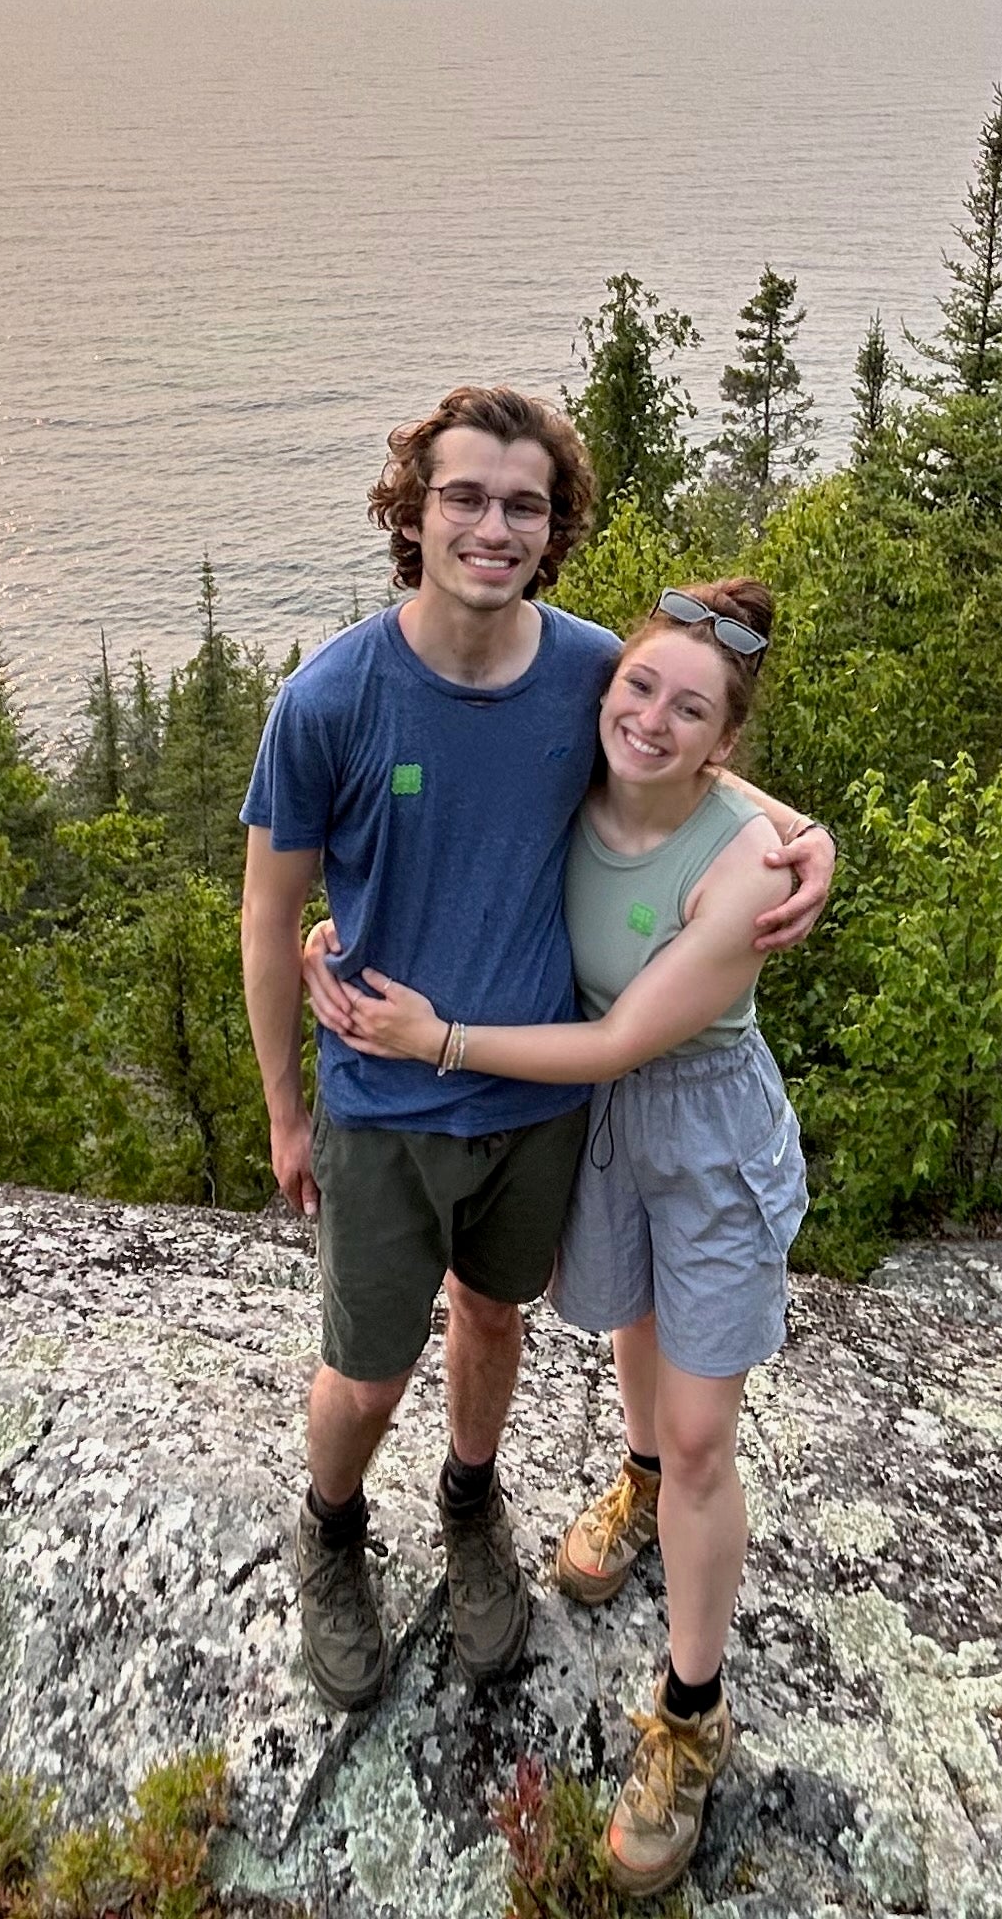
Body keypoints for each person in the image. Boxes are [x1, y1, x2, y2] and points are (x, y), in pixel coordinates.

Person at [237, 387, 830, 1730]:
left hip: (541, 1103)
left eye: (524, 505)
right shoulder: (330, 700)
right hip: (384, 1096)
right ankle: (331, 1528)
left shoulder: (586, 669)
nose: (493, 527)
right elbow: (269, 918)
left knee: (495, 1319)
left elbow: (690, 758)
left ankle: (471, 1503)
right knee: (366, 1370)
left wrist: (810, 841)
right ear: (413, 509)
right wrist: (284, 1111)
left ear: (553, 529)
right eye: (464, 496)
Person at [309, 574, 802, 1898]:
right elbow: (446, 827)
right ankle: (638, 1483)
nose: (650, 719)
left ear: (725, 740)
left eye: (691, 710)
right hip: (598, 1134)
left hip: (697, 1130)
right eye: (639, 686)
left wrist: (440, 1041)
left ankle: (690, 1712)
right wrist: (343, 931)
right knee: (632, 1326)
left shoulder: (747, 868)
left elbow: (621, 1039)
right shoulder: (582, 781)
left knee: (705, 1436)